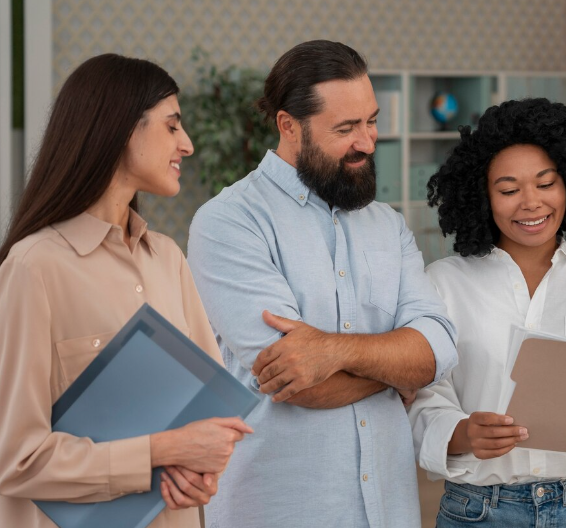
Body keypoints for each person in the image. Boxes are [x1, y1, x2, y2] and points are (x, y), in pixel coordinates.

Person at [186, 40, 458, 527]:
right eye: (346, 128)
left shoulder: (387, 225)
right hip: (283, 509)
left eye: (371, 121)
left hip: (391, 512)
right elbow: (298, 381)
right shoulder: (229, 222)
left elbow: (437, 349)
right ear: (289, 126)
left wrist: (334, 351)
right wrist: (397, 368)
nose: (368, 142)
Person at [0, 54, 253, 528]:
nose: (189, 144)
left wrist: (202, 472)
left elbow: (213, 416)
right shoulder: (34, 269)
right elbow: (15, 458)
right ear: (120, 129)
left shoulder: (168, 259)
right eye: (172, 126)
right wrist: (160, 451)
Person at [408, 98, 566, 527]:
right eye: (508, 190)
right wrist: (462, 433)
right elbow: (422, 395)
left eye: (545, 183)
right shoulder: (442, 283)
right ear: (481, 197)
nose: (531, 203)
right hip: (478, 511)